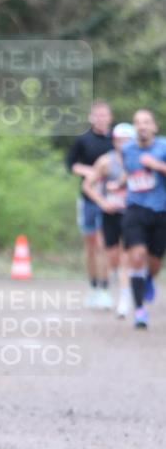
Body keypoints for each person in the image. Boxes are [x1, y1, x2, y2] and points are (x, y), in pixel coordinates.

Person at [81, 123, 135, 318]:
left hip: (132, 214)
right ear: (114, 141)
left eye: (129, 140)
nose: (124, 144)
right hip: (110, 213)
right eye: (121, 140)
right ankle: (109, 286)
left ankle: (124, 300)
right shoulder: (106, 162)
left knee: (126, 256)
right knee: (110, 255)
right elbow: (88, 186)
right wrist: (102, 202)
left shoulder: (138, 161)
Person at [120, 108, 166, 329]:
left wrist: (156, 165)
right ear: (134, 127)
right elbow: (129, 174)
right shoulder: (127, 149)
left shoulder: (163, 146)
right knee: (137, 257)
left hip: (160, 211)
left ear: (154, 126)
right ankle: (139, 310)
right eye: (138, 122)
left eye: (147, 122)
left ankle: (147, 280)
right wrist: (118, 184)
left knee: (154, 264)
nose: (142, 126)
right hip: (135, 209)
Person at [66, 101, 114, 308]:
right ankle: (93, 286)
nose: (101, 119)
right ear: (91, 117)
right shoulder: (82, 140)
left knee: (105, 245)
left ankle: (104, 287)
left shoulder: (117, 140)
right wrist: (91, 173)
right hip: (87, 198)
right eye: (97, 115)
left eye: (105, 115)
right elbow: (71, 165)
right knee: (90, 245)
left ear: (110, 118)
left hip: (110, 200)